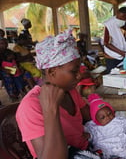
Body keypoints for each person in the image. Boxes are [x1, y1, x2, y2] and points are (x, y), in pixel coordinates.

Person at [16, 28, 98, 159]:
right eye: (74, 71)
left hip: (85, 151)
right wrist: (51, 111)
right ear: (52, 71)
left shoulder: (70, 91)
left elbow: (90, 116)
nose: (79, 76)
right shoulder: (31, 105)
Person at [85, 94, 126, 159]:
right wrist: (88, 135)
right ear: (96, 120)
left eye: (109, 113)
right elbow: (88, 134)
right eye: (102, 117)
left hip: (123, 147)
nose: (108, 117)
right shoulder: (93, 127)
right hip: (106, 151)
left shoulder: (118, 120)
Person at [103, 7, 126, 73]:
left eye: (122, 18)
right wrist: (121, 53)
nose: (118, 20)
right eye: (118, 17)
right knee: (113, 76)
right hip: (112, 56)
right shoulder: (109, 24)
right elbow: (106, 43)